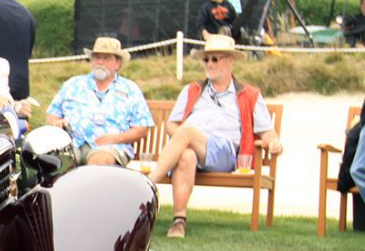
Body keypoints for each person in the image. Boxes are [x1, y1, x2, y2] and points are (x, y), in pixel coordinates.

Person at [147, 34, 282, 238]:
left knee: (187, 131)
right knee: (186, 156)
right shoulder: (192, 90)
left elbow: (267, 131)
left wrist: (274, 142)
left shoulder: (249, 94)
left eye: (215, 59)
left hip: (225, 152)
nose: (209, 64)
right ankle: (179, 222)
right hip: (194, 148)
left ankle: (147, 185)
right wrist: (184, 140)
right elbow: (171, 125)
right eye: (206, 59)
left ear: (230, 61)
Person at [46, 37, 152, 167]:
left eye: (106, 58)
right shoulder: (73, 84)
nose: (100, 62)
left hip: (111, 147)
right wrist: (57, 123)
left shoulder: (130, 89)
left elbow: (142, 128)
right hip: (73, 143)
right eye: (97, 57)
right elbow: (51, 115)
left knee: (100, 160)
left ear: (118, 64)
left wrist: (116, 138)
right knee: (60, 160)